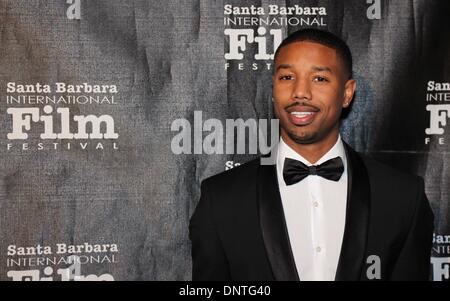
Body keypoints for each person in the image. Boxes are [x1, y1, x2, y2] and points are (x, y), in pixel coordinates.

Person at [189, 28, 434, 281]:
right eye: (286, 77)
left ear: (347, 93)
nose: (300, 92)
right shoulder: (220, 199)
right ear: (273, 88)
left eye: (319, 79)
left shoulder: (403, 197)